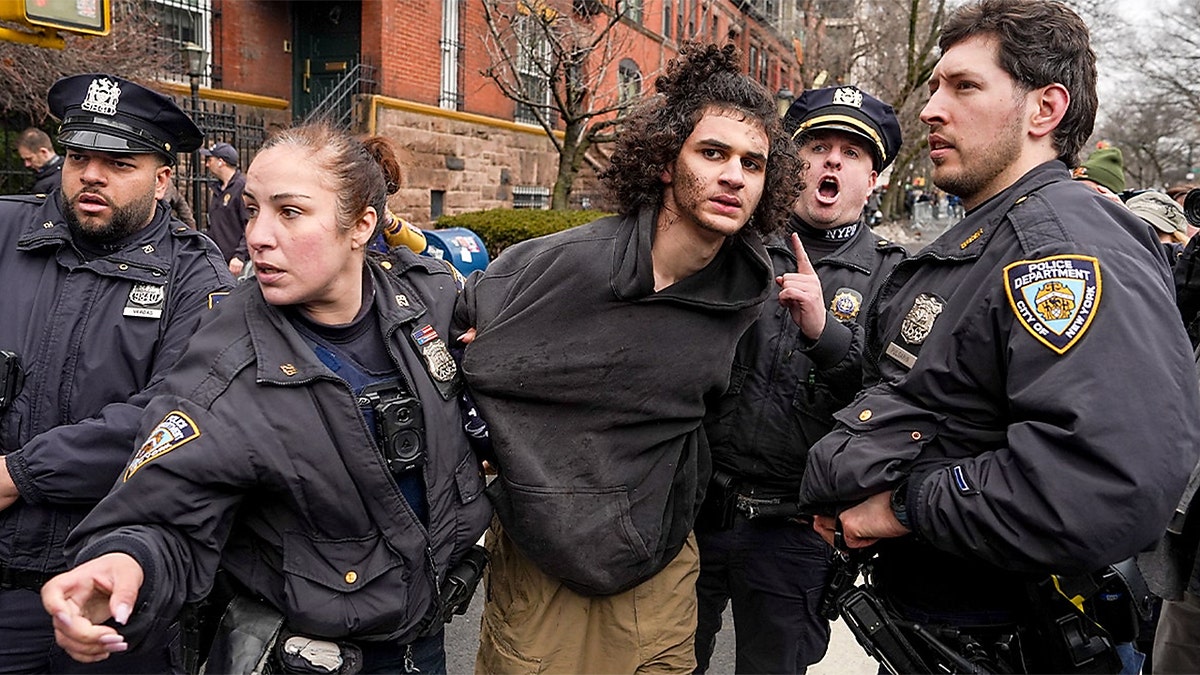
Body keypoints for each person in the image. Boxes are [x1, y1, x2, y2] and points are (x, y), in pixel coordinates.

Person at [794, 1, 1200, 672]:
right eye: (934, 87)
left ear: (1043, 110)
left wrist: (899, 506)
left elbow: (1103, 480)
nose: (930, 109)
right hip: (932, 627)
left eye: (964, 86)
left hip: (1004, 636)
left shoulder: (1058, 254)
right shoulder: (989, 238)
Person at [40, 123, 492, 673]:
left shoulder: (429, 296)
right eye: (253, 209)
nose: (257, 234)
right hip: (313, 657)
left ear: (362, 225)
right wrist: (125, 562)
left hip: (426, 641)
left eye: (290, 212)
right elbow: (165, 508)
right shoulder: (226, 359)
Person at [454, 42, 800, 673]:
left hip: (658, 563)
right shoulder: (557, 266)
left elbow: (730, 417)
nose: (733, 176)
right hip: (540, 560)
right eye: (713, 152)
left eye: (753, 164)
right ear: (666, 161)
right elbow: (454, 353)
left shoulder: (751, 297)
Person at [0, 73, 233, 672]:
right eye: (79, 156)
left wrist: (19, 474)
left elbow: (173, 415)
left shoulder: (195, 276)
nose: (91, 175)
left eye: (118, 161)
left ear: (161, 179)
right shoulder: (7, 232)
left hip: (105, 583)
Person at [693, 84, 906, 675]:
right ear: (792, 163)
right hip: (693, 513)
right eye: (816, 145)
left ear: (874, 180)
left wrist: (825, 335)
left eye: (853, 152)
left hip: (794, 533)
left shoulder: (896, 280)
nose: (832, 160)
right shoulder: (726, 246)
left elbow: (897, 406)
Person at [199, 141, 251, 275]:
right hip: (220, 261)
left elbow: (250, 223)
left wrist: (240, 255)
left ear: (221, 162)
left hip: (237, 264)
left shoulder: (241, 187)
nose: (207, 164)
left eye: (210, 159)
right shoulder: (218, 189)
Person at [16, 127, 64, 195]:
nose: (27, 164)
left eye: (29, 159)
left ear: (43, 152)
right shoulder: (62, 172)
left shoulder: (56, 182)